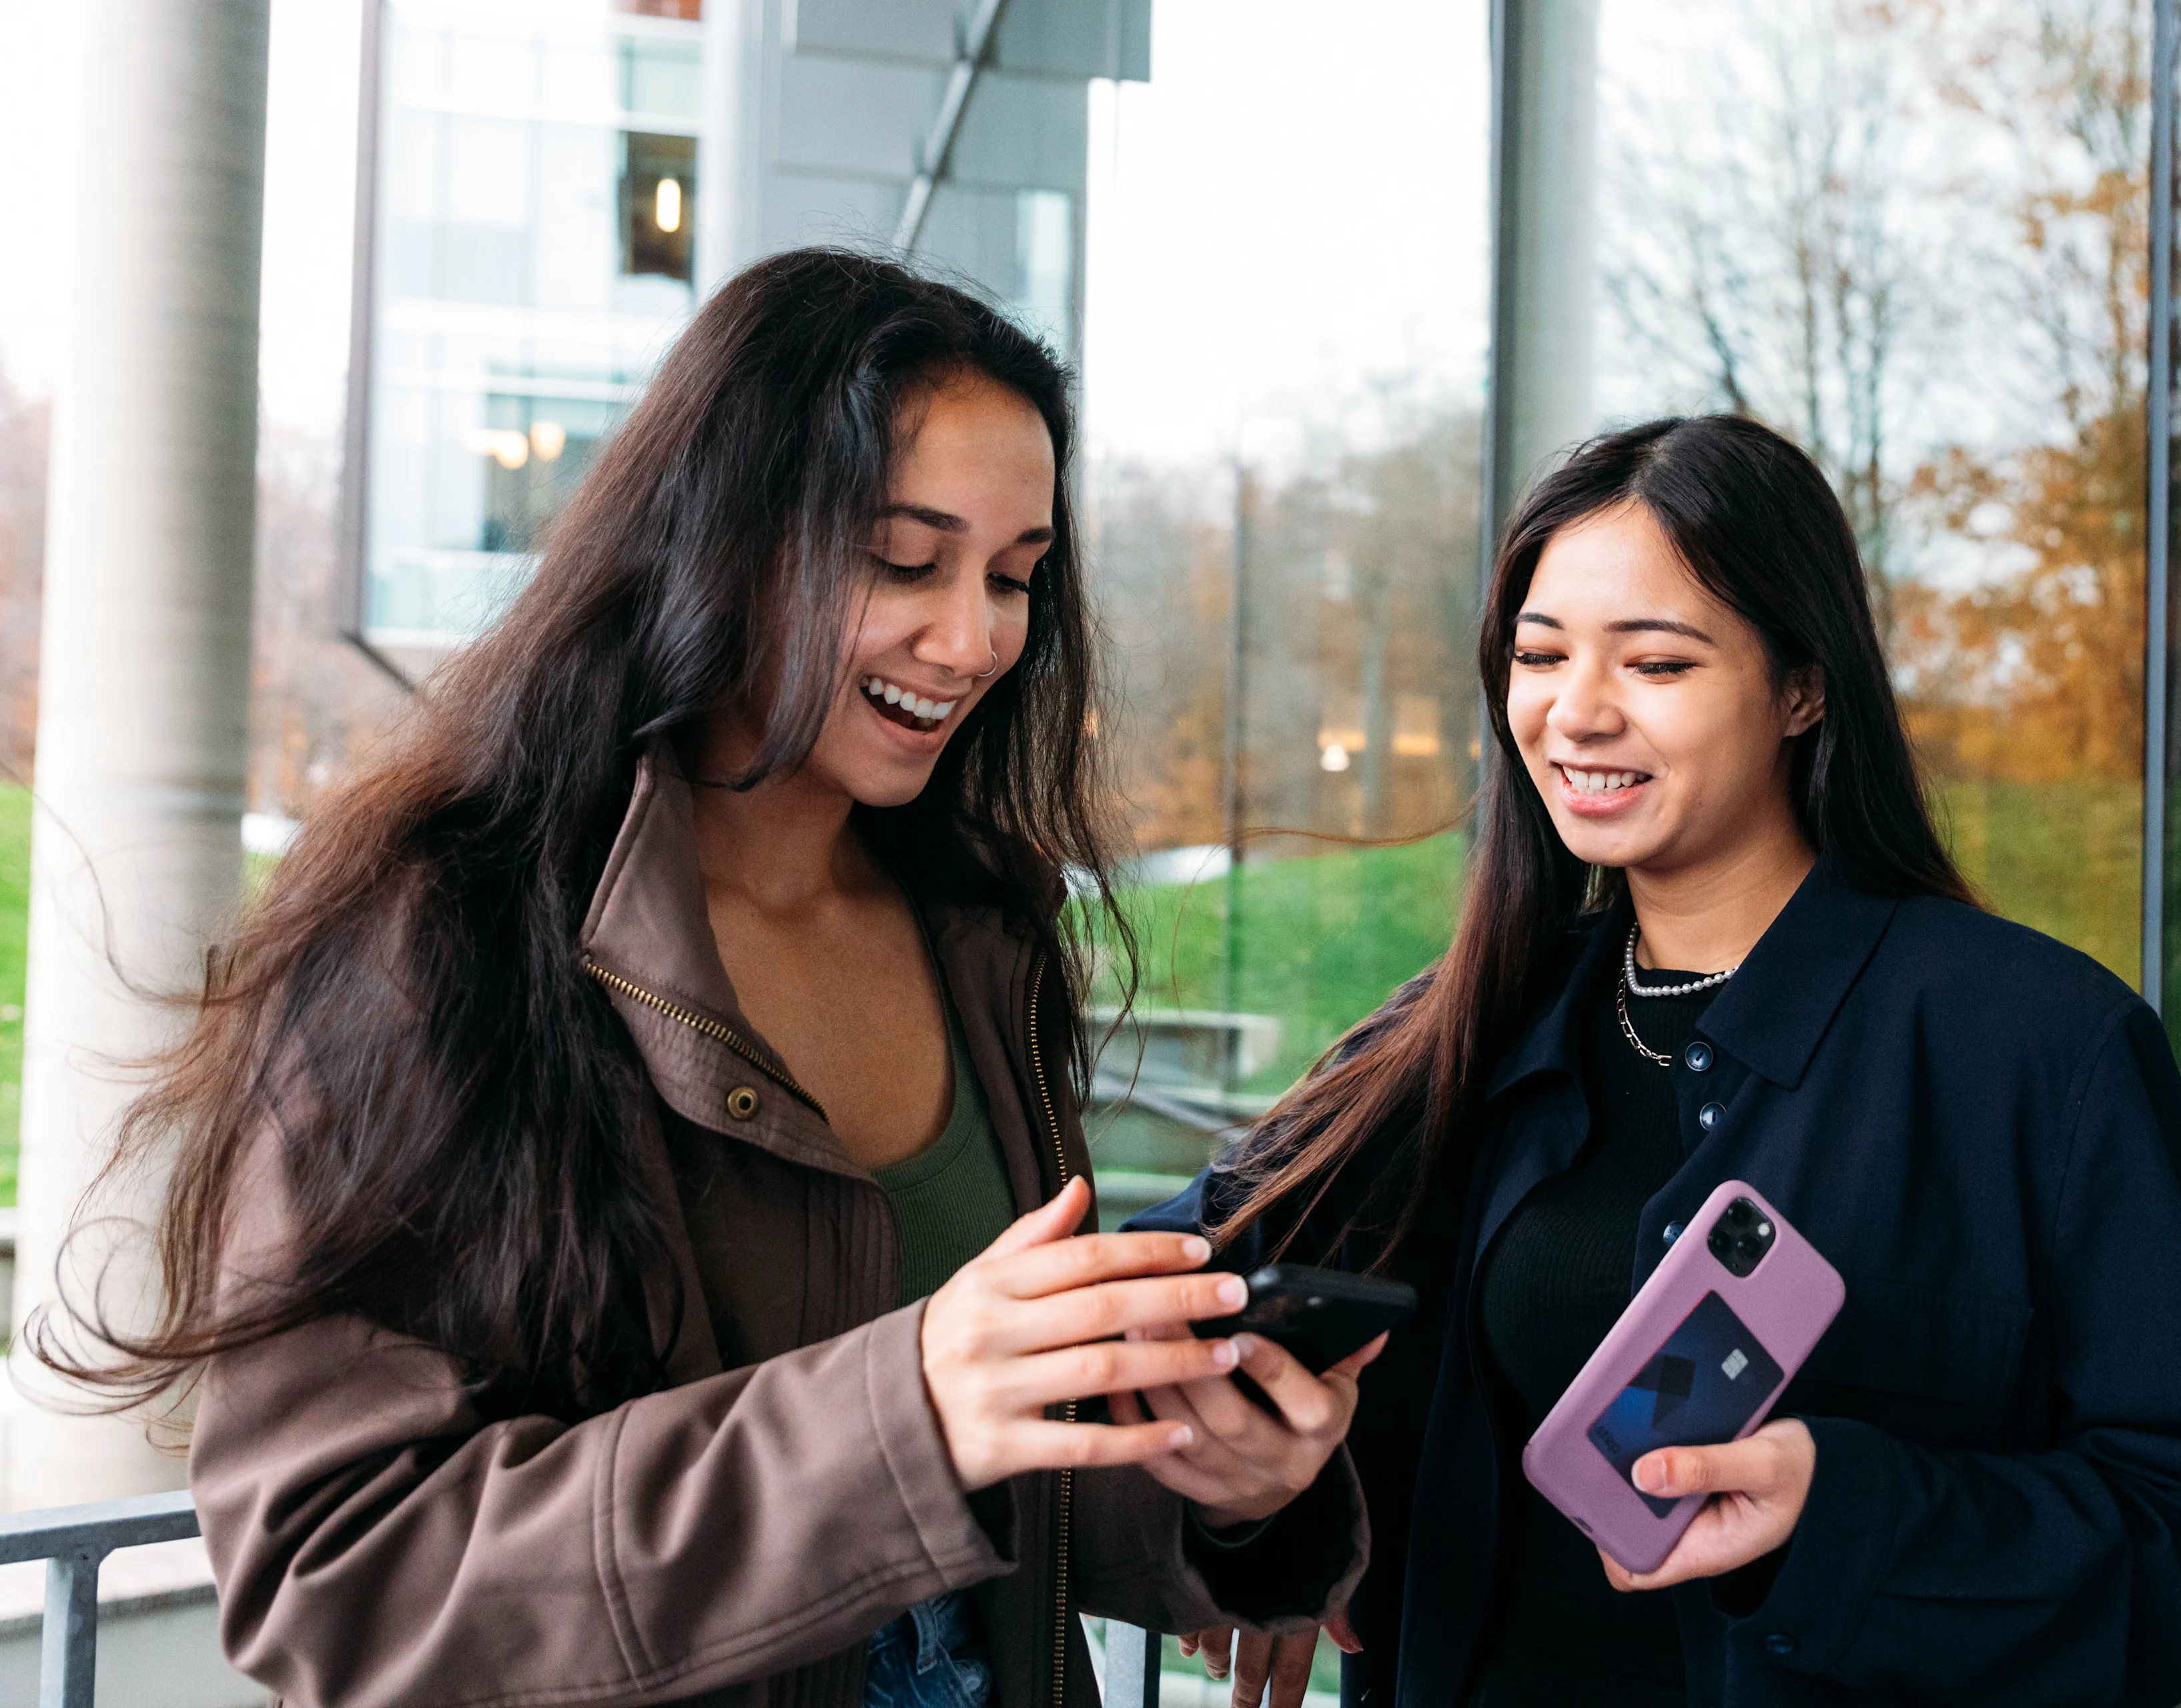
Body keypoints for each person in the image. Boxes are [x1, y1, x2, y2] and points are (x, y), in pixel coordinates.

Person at [42, 250, 1372, 1708]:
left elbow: (987, 1501)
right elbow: (339, 1575)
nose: (975, 639)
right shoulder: (443, 940)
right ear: (724, 541)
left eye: (1014, 577)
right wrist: (901, 1413)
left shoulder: (983, 931)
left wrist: (1223, 1488)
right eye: (904, 560)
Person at [1137, 416, 2181, 1708]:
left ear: (1804, 689)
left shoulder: (2043, 1047)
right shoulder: (1464, 1026)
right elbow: (1166, 1297)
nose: (1578, 712)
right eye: (1540, 654)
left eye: (1657, 663)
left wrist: (1834, 1517)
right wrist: (1276, 1519)